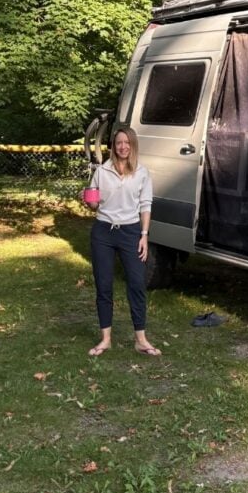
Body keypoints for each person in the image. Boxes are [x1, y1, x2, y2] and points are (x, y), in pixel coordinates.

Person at [85, 125, 161, 357]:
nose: (123, 146)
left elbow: (145, 206)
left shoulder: (142, 172)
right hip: (103, 232)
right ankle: (106, 339)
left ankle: (140, 339)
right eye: (119, 142)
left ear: (133, 145)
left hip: (130, 233)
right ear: (114, 146)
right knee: (104, 285)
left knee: (137, 284)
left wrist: (144, 236)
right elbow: (94, 204)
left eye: (127, 142)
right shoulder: (101, 171)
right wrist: (88, 201)